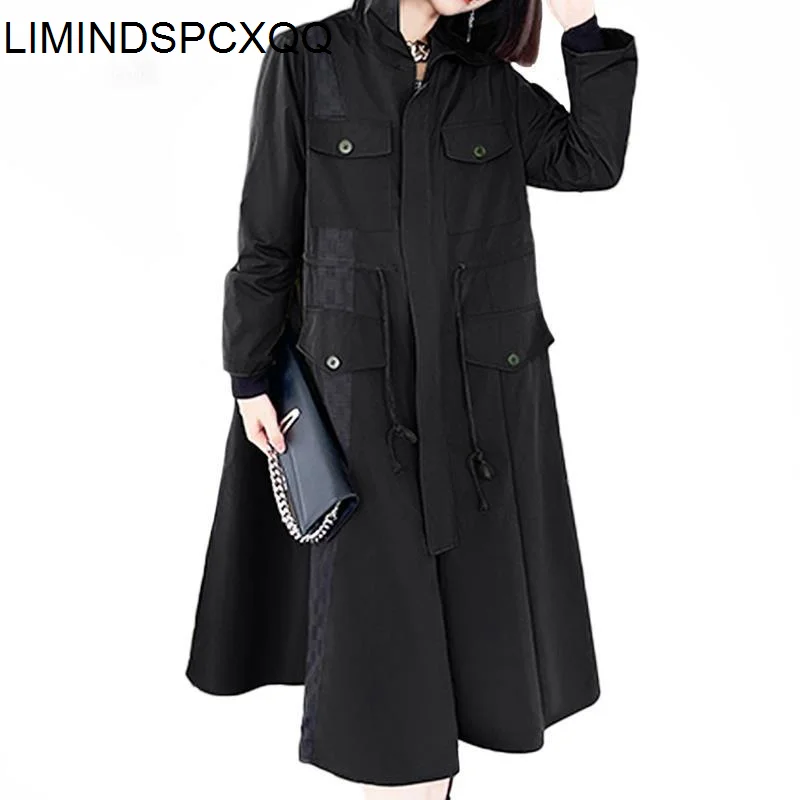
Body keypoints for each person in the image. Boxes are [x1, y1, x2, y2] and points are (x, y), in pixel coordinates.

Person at [186, 1, 637, 798]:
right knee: (378, 648)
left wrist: (584, 26)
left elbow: (591, 158)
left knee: (472, 646)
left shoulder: (485, 80)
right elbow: (268, 231)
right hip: (357, 400)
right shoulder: (308, 58)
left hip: (478, 408)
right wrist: (248, 373)